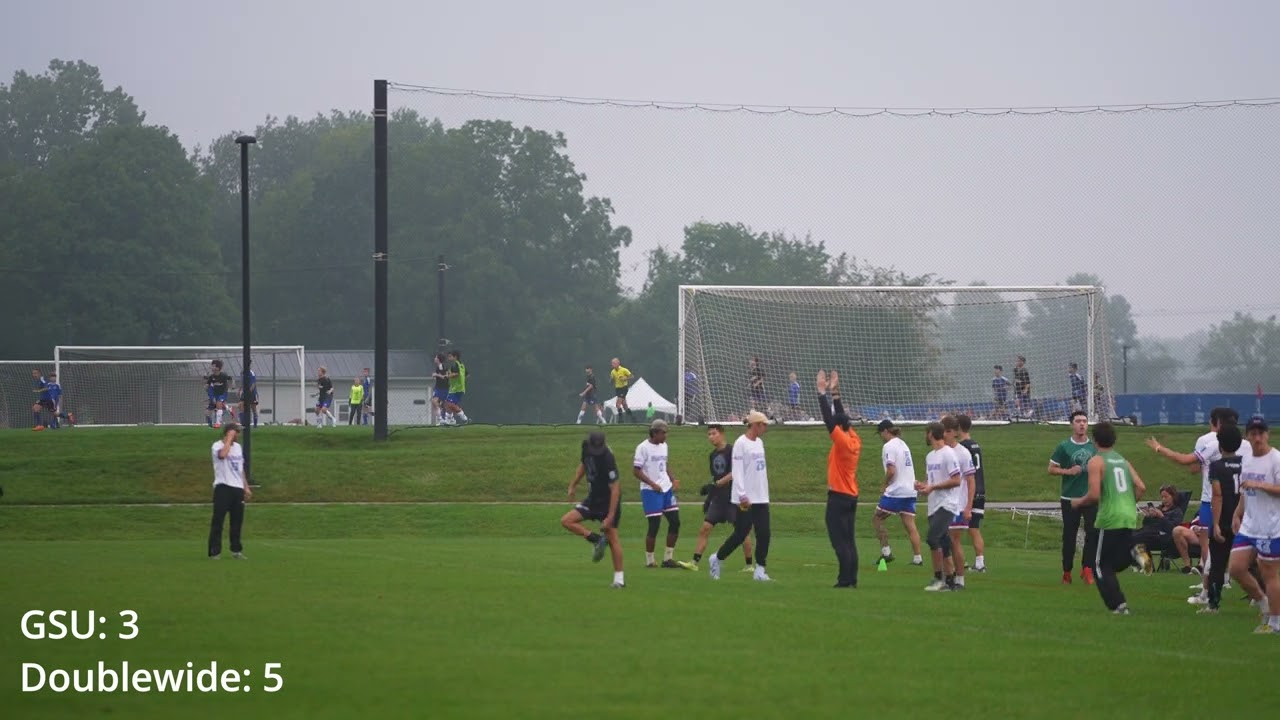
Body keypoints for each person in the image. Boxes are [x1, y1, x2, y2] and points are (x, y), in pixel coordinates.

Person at [1146, 407, 1238, 603]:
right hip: (1237, 500)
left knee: (1209, 542)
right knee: (1231, 541)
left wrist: (1159, 448)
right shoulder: (1244, 444)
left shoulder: (1209, 441)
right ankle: (1226, 579)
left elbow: (1192, 466)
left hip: (1211, 498)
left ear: (1214, 422)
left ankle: (1208, 585)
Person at [1071, 421, 1145, 614]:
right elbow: (1141, 487)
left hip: (1109, 517)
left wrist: (1078, 502)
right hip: (1129, 515)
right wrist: (1129, 503)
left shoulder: (1096, 461)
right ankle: (1132, 553)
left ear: (1094, 440)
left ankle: (1118, 604)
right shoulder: (1123, 461)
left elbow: (1094, 494)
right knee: (1112, 562)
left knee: (1099, 565)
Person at [1229, 416, 1280, 634]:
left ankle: (1275, 623)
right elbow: (1245, 491)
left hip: (1270, 526)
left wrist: (1259, 484)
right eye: (1253, 433)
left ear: (1267, 435)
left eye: (1261, 433)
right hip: (1249, 524)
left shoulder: (1276, 459)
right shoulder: (1246, 458)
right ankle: (1262, 602)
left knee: (1269, 573)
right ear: (1247, 436)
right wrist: (1237, 513)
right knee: (1236, 568)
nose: (1257, 437)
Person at [708, 410, 772, 581]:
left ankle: (760, 570)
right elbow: (737, 471)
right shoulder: (741, 444)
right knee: (741, 533)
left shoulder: (759, 443)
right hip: (746, 498)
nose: (765, 428)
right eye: (763, 425)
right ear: (755, 425)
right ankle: (717, 558)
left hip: (761, 496)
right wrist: (742, 494)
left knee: (764, 533)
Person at [562, 431, 625, 588]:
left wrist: (610, 516)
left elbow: (615, 488)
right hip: (592, 499)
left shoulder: (608, 457)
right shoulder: (585, 448)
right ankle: (595, 539)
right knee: (567, 521)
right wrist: (573, 485)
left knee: (613, 538)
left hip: (608, 501)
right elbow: (583, 465)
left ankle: (619, 580)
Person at [817, 370, 861, 588]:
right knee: (850, 540)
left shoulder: (842, 442)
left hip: (838, 496)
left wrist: (821, 393)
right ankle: (851, 578)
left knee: (839, 540)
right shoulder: (854, 438)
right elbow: (841, 418)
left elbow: (828, 420)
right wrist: (835, 393)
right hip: (851, 495)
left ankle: (844, 579)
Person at [691, 424, 754, 572]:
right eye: (709, 434)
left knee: (742, 530)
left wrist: (717, 483)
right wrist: (709, 498)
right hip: (720, 498)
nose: (711, 437)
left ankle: (749, 564)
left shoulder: (733, 451)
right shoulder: (712, 455)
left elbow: (735, 472)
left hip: (734, 497)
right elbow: (716, 478)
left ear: (722, 434)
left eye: (714, 433)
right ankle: (694, 562)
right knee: (705, 528)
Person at [1049, 411, 1098, 584]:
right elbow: (1051, 469)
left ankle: (1087, 568)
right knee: (1069, 535)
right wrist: (1068, 471)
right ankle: (1067, 571)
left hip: (1090, 497)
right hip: (1069, 497)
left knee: (1093, 532)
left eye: (1084, 421)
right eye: (1078, 421)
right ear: (1072, 424)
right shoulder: (1064, 446)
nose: (1082, 424)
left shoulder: (1094, 446)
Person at [634, 419, 690, 569]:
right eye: (663, 433)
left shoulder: (664, 446)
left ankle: (668, 559)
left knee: (675, 522)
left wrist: (673, 478)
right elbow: (636, 471)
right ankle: (650, 561)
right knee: (655, 524)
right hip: (650, 490)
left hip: (666, 489)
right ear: (654, 433)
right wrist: (652, 484)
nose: (665, 436)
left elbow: (664, 464)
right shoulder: (642, 448)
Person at [915, 422, 963, 591]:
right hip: (933, 504)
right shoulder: (930, 456)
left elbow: (957, 480)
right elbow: (931, 480)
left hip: (947, 504)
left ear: (931, 434)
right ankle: (950, 580)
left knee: (932, 538)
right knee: (943, 541)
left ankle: (938, 579)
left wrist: (933, 487)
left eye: (926, 433)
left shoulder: (948, 454)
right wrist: (922, 485)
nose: (925, 436)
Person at [873, 418, 923, 565]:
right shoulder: (903, 444)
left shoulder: (889, 446)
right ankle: (917, 558)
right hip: (910, 489)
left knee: (877, 519)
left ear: (885, 431)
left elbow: (891, 469)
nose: (881, 437)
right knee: (910, 525)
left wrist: (884, 485)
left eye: (880, 433)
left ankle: (886, 552)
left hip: (897, 491)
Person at [1204, 425, 1243, 613]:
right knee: (1252, 562)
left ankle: (1213, 604)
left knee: (1218, 564)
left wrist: (1217, 524)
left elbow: (1217, 495)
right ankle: (1263, 598)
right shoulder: (1246, 464)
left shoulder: (1216, 466)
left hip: (1226, 520)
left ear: (1220, 444)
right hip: (1244, 521)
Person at [942, 415, 976, 590]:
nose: (945, 435)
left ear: (955, 432)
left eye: (948, 431)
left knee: (954, 541)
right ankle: (949, 576)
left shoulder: (962, 453)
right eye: (943, 431)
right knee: (941, 541)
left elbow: (971, 481)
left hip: (957, 505)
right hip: (942, 504)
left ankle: (960, 579)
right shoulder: (940, 452)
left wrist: (968, 506)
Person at [209, 422, 252, 559]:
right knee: (218, 520)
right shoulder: (217, 446)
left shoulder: (238, 448)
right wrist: (228, 439)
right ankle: (215, 551)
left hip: (237, 488)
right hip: (223, 487)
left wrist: (245, 487)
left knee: (237, 521)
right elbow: (222, 455)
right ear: (229, 432)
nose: (238, 435)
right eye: (236, 432)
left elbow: (240, 469)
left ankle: (236, 550)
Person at [1130, 485, 1186, 574]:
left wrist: (1162, 517)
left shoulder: (1176, 511)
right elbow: (1147, 525)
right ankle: (1141, 564)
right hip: (1151, 533)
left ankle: (1147, 565)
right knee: (1129, 534)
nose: (1164, 499)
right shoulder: (1159, 509)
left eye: (1166, 497)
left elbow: (1173, 529)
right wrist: (1148, 517)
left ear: (1173, 497)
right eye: (1162, 497)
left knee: (1140, 537)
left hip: (1164, 537)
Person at [957, 414, 987, 572]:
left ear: (959, 427)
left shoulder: (962, 448)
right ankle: (980, 562)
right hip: (981, 489)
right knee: (974, 528)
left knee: (956, 528)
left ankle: (963, 561)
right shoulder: (976, 444)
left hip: (969, 490)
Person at [445, 350, 470, 425]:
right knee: (448, 404)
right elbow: (467, 375)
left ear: (455, 357)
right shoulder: (461, 364)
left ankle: (464, 418)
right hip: (457, 388)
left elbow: (456, 374)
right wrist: (461, 381)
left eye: (450, 356)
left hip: (456, 389)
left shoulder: (455, 364)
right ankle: (450, 420)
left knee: (450, 404)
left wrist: (448, 376)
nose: (448, 358)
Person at [207, 360, 233, 428]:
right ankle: (228, 408)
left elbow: (230, 379)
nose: (212, 367)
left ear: (218, 368)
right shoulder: (211, 377)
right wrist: (207, 387)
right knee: (208, 412)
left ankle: (218, 423)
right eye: (212, 366)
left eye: (213, 366)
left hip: (223, 393)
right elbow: (208, 385)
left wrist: (232, 385)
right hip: (215, 394)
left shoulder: (223, 375)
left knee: (218, 404)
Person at [609, 358, 635, 423]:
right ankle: (633, 418)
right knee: (624, 405)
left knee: (617, 404)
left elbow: (632, 376)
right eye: (612, 363)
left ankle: (621, 420)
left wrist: (625, 378)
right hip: (617, 389)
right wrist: (611, 380)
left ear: (618, 363)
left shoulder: (624, 370)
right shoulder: (612, 372)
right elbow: (611, 380)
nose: (612, 365)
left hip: (624, 388)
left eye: (614, 363)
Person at [430, 353, 450, 425]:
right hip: (439, 387)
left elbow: (445, 377)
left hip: (442, 388)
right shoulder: (438, 367)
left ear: (438, 359)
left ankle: (445, 419)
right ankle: (441, 419)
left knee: (439, 403)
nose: (434, 358)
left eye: (435, 357)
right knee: (435, 402)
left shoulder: (441, 366)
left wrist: (436, 375)